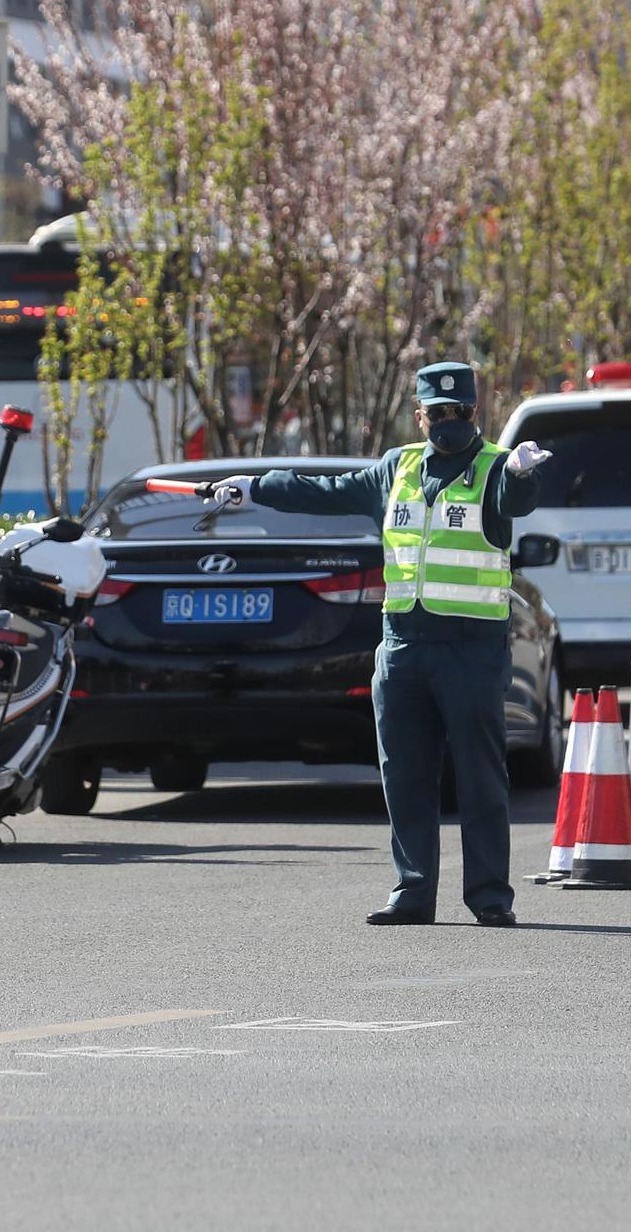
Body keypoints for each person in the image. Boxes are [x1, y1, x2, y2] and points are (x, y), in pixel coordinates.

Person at [210, 362, 552, 927]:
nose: (448, 423)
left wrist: (519, 474)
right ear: (420, 416)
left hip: (471, 646)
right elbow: (326, 492)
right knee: (404, 773)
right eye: (436, 413)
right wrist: (254, 488)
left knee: (480, 776)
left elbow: (515, 505)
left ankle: (490, 895)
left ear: (476, 414)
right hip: (404, 646)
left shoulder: (494, 469)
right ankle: (413, 891)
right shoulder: (398, 468)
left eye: (458, 413)